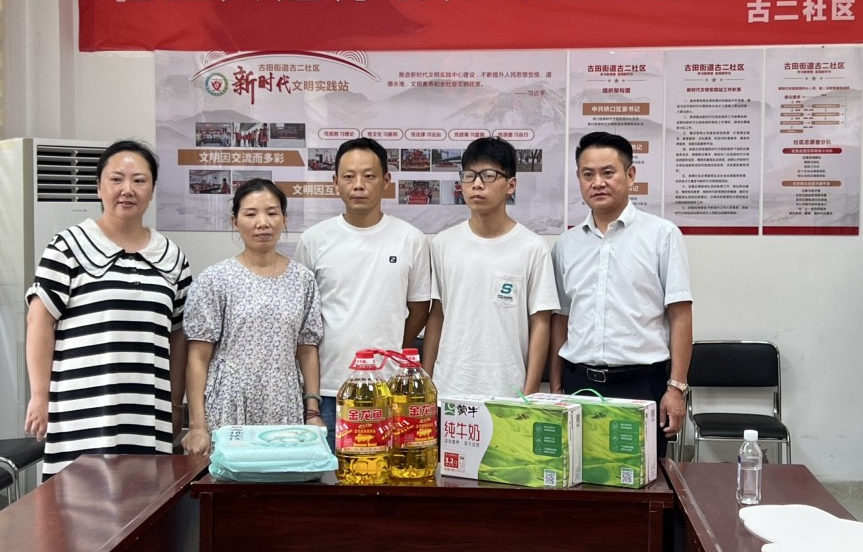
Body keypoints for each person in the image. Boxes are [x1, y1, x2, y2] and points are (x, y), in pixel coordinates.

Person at [24, 140, 192, 479]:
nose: (127, 189)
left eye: (139, 180)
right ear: (99, 187)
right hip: (81, 408)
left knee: (145, 499)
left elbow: (178, 337)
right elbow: (39, 320)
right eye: (116, 179)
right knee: (76, 501)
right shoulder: (68, 247)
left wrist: (176, 403)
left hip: (147, 411)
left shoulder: (172, 258)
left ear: (152, 190)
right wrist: (40, 396)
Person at [550, 131, 693, 448]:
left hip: (641, 385)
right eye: (588, 174)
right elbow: (561, 318)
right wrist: (556, 385)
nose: (597, 182)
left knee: (644, 477)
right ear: (579, 178)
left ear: (630, 176)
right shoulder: (566, 245)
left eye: (608, 172)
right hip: (578, 385)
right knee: (578, 474)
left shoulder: (662, 235)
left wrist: (676, 388)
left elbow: (681, 315)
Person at [295, 138, 430, 448]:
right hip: (328, 388)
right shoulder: (314, 240)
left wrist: (391, 350)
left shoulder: (411, 239)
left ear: (386, 181)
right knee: (329, 474)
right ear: (335, 182)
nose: (358, 185)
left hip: (390, 388)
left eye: (369, 176)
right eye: (349, 176)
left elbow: (420, 309)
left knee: (387, 473)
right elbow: (302, 317)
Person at [182, 180, 323, 454]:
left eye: (272, 213)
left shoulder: (303, 280)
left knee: (279, 474)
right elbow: (198, 357)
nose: (262, 223)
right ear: (235, 222)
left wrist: (312, 411)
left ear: (284, 219)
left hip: (283, 401)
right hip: (229, 403)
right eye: (250, 214)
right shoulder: (216, 279)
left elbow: (307, 349)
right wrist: (197, 425)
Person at [423, 136, 558, 398]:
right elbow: (437, 315)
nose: (476, 184)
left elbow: (541, 322)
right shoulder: (443, 243)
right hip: (449, 388)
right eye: (469, 176)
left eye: (488, 175)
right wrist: (427, 382)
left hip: (508, 391)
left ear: (511, 185)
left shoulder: (532, 247)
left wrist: (529, 394)